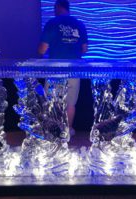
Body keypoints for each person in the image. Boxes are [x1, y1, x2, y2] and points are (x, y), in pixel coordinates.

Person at [38, 0, 88, 136]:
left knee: (50, 101)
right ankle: (67, 131)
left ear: (58, 7)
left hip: (55, 68)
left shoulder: (52, 23)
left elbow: (42, 50)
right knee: (70, 103)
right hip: (74, 69)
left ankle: (50, 131)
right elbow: (84, 49)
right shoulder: (79, 24)